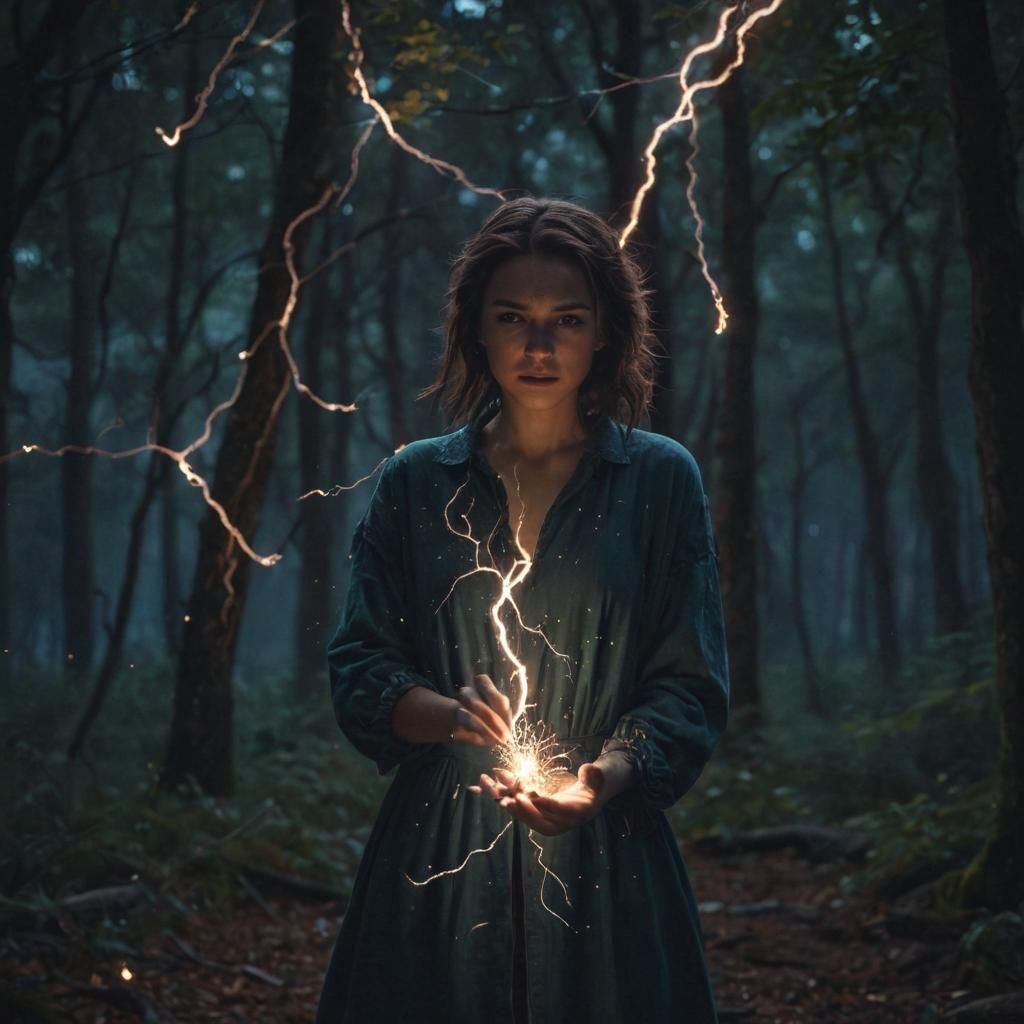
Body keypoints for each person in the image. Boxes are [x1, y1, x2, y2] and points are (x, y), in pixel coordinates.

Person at [315, 197, 729, 1024]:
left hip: (606, 859)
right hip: (439, 855)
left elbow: (688, 683)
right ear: (476, 328)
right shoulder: (414, 483)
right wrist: (444, 714)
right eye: (514, 318)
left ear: (605, 330)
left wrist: (600, 783)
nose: (539, 346)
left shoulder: (658, 481)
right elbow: (359, 662)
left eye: (566, 320)